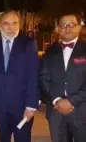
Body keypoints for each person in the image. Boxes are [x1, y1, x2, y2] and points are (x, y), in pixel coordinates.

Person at [0, 10, 39, 142]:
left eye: (14, 23)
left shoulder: (28, 44)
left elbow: (33, 76)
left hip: (22, 106)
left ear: (19, 25)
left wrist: (31, 105)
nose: (11, 27)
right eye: (6, 23)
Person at [39, 13, 86, 142]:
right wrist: (56, 100)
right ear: (58, 29)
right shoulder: (50, 51)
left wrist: (71, 101)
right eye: (63, 25)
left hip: (82, 111)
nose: (67, 28)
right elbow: (43, 78)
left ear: (79, 27)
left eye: (71, 24)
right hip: (56, 112)